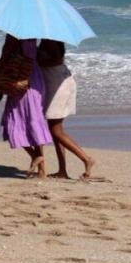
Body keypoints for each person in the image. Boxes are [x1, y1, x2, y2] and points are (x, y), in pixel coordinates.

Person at [38, 39, 95, 179]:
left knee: (56, 131)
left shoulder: (48, 39)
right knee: (56, 130)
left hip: (58, 84)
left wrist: (36, 64)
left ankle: (86, 159)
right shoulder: (49, 39)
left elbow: (57, 59)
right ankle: (62, 170)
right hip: (58, 82)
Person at [0, 35, 52, 178]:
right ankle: (42, 170)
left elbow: (6, 57)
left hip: (20, 79)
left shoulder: (13, 34)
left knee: (13, 120)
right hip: (36, 78)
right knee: (34, 122)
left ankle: (35, 156)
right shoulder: (33, 34)